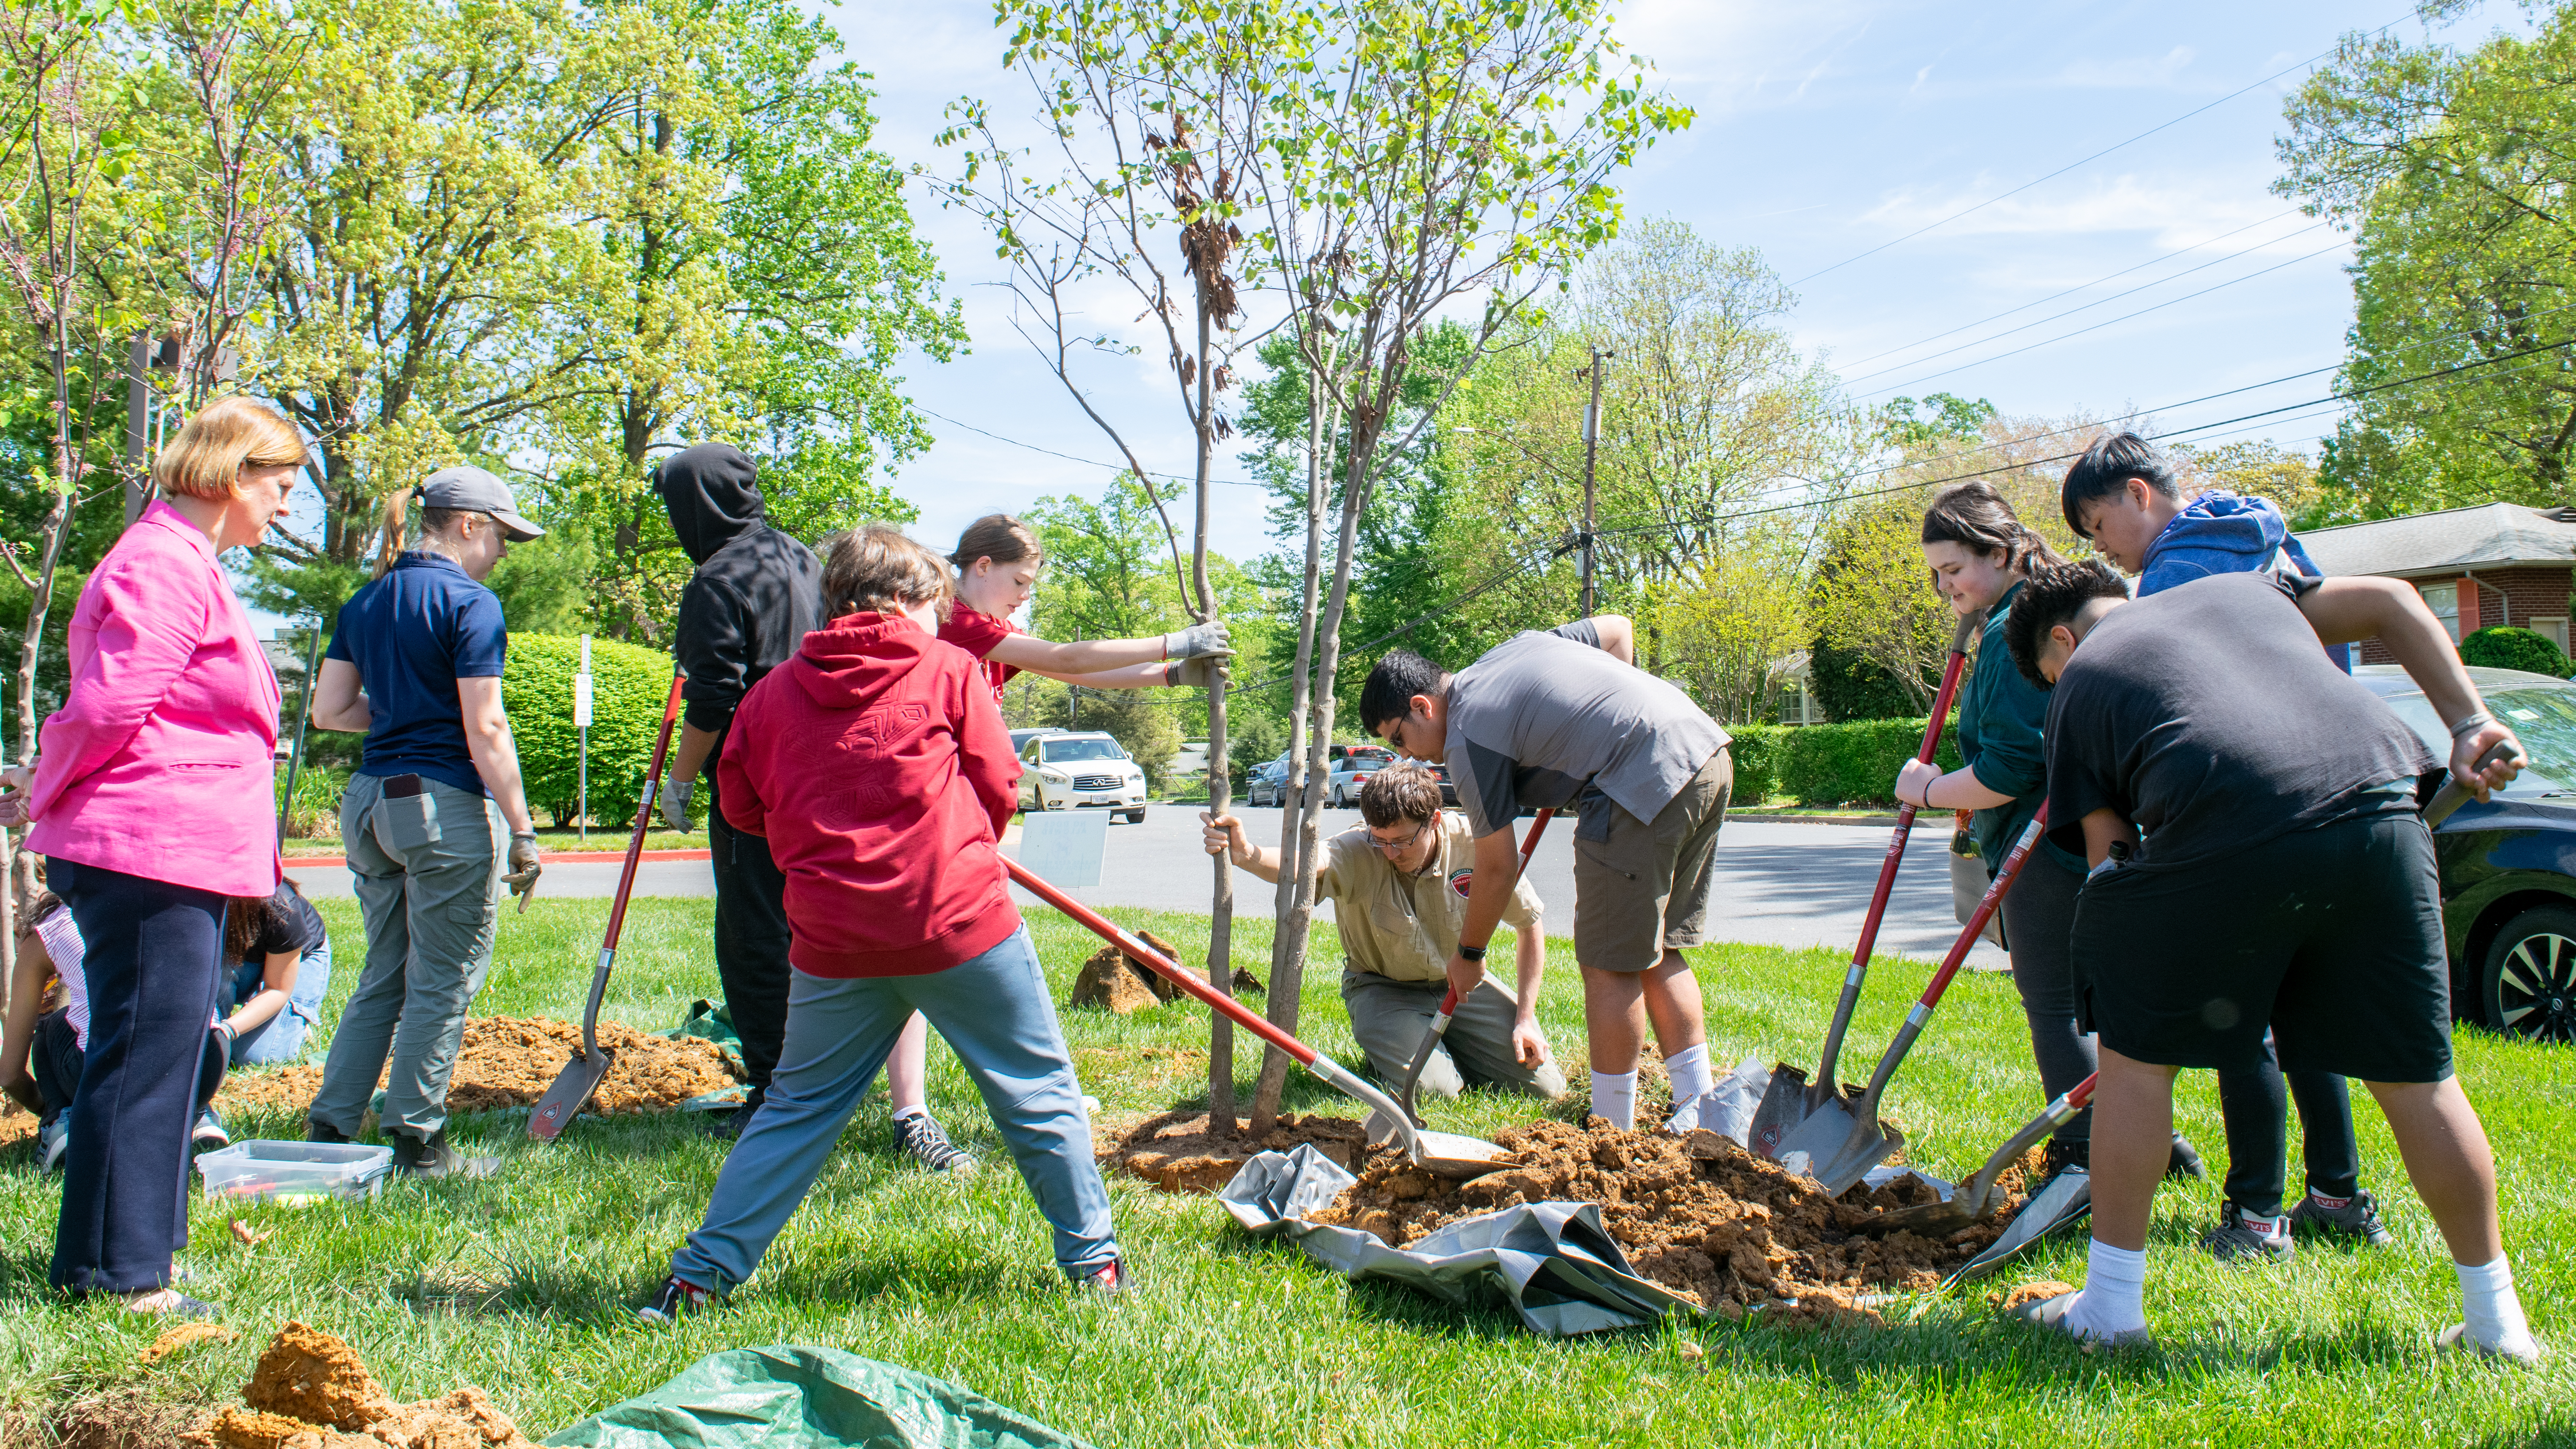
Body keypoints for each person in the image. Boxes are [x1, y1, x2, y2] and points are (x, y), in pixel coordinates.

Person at [2001, 559, 2539, 1363]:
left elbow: (2108, 857)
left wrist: (2126, 978)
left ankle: (2110, 1307)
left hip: (2218, 822)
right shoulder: (2245, 589)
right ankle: (2497, 1323)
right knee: (2420, 1078)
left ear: (2062, 640)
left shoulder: (2080, 684)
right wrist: (2469, 724)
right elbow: (2392, 600)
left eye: (2049, 673)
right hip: (2381, 812)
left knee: (2135, 1066)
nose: (2058, 682)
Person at [639, 524, 1122, 1321]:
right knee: (1035, 1088)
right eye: (937, 602)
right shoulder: (950, 670)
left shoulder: (771, 694)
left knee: (797, 1106)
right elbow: (999, 783)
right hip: (959, 922)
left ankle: (699, 1276)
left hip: (834, 942)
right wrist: (961, 839)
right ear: (911, 600)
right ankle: (1094, 1263)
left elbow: (741, 808)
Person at [0, 395, 302, 1316]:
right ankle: (115, 1276)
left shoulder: (185, 560)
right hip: (148, 845)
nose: (286, 505)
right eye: (280, 486)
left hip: (176, 848)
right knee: (141, 1058)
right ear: (230, 473)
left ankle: (145, 1251)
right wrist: (43, 790)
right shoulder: (165, 562)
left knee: (165, 1056)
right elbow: (102, 710)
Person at [2061, 430, 2381, 1263]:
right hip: (2334, 782)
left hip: (2238, 810)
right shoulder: (2270, 542)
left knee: (2241, 1024)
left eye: (2099, 525)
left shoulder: (2174, 579)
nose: (2105, 551)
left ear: (2138, 494)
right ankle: (2338, 1196)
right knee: (2306, 1016)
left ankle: (2255, 1216)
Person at [646, 444, 985, 1168]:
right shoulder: (800, 559)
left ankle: (777, 1094)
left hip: (758, 771)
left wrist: (680, 779)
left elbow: (711, 697)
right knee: (817, 935)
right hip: (829, 770)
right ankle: (829, 1084)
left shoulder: (717, 578)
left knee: (756, 938)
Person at [1897, 482, 2204, 1205]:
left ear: (2000, 552)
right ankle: (2150, 1143)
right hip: (2080, 830)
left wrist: (1929, 790)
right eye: (1936, 575)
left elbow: (2008, 768)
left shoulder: (2012, 640)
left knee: (2053, 1004)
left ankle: (2079, 1156)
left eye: (1953, 569)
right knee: (2092, 1004)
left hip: (2046, 844)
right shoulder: (2038, 613)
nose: (1945, 587)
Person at [1357, 617, 1731, 1134]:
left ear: (1423, 706)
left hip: (1638, 778)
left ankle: (1611, 1135)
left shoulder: (1466, 739)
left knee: (1608, 964)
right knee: (1661, 948)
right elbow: (1619, 631)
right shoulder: (1518, 647)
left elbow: (1496, 866)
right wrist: (1598, 732)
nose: (1406, 755)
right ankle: (1702, 1113)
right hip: (1703, 751)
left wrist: (1470, 955)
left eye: (1400, 737)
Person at [306, 465, 544, 1179]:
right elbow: (487, 726)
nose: (503, 552)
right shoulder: (472, 604)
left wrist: (403, 714)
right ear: (468, 524)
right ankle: (416, 1142)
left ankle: (331, 1124)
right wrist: (524, 829)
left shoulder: (367, 599)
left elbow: (330, 711)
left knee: (384, 970)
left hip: (369, 802)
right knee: (443, 977)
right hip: (437, 806)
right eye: (502, 536)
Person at [1200, 762, 1564, 1100]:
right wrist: (1248, 854)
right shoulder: (1359, 847)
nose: (1389, 853)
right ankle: (1403, 1045)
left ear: (1434, 820)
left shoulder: (1476, 847)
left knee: (1547, 1086)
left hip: (1459, 985)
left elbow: (1529, 925)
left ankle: (1444, 1047)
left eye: (1402, 841)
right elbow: (1308, 863)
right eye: (1381, 840)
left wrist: (1525, 1017)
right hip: (1383, 990)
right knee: (1435, 1091)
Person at [188, 879, 334, 1150]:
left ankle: (297, 1020)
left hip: (294, 962)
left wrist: (225, 1032)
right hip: (230, 962)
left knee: (256, 1057)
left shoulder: (280, 904)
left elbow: (278, 989)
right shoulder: (187, 897)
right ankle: (200, 1113)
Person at [0, 892, 91, 1177]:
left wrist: (46, 1104)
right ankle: (197, 1116)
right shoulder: (169, 904)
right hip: (200, 1066)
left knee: (52, 1025)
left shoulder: (52, 928)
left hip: (102, 1073)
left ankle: (59, 1122)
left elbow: (9, 1075)